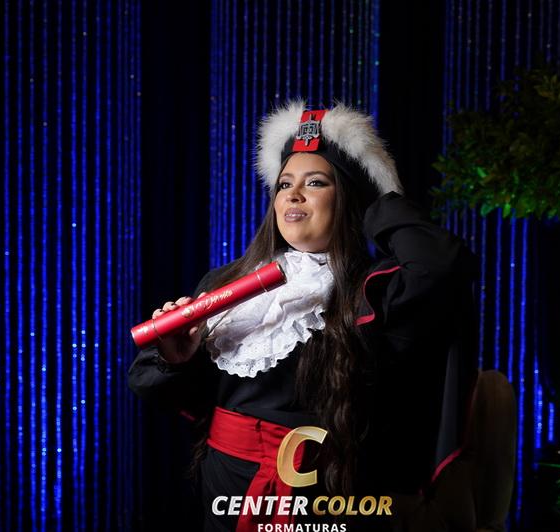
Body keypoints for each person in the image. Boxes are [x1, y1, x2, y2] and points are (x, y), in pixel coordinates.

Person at [128, 101, 479, 531]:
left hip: (324, 492)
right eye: (284, 184)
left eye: (315, 182)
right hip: (225, 484)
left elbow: (442, 266)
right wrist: (175, 359)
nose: (293, 195)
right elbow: (154, 389)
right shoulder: (225, 282)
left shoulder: (373, 291)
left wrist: (378, 194)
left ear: (350, 199)